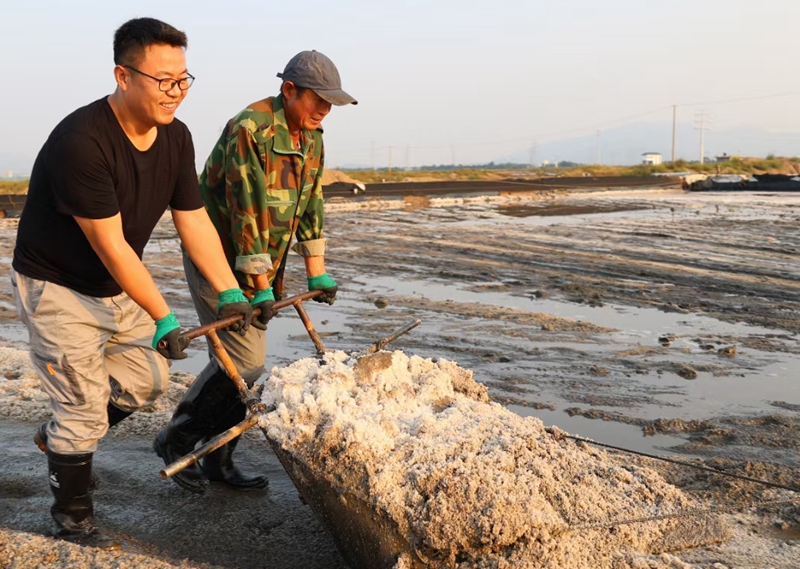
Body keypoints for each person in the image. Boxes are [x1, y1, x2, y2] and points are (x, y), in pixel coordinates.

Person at [12, 18, 254, 549]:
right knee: (80, 405)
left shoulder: (177, 136)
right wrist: (165, 317)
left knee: (146, 377)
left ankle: (61, 441)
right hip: (58, 287)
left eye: (183, 79)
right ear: (123, 76)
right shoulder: (82, 142)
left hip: (115, 285)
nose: (176, 91)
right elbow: (112, 245)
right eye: (163, 80)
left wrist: (230, 291)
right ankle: (73, 520)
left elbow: (193, 220)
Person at [154, 50, 356, 493]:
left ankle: (218, 457)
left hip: (263, 265)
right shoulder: (251, 128)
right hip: (220, 259)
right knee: (244, 364)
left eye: (331, 102)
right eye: (318, 100)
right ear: (290, 90)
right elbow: (248, 210)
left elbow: (311, 203)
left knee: (244, 367)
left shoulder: (312, 136)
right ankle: (177, 438)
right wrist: (259, 287)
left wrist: (316, 272)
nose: (325, 110)